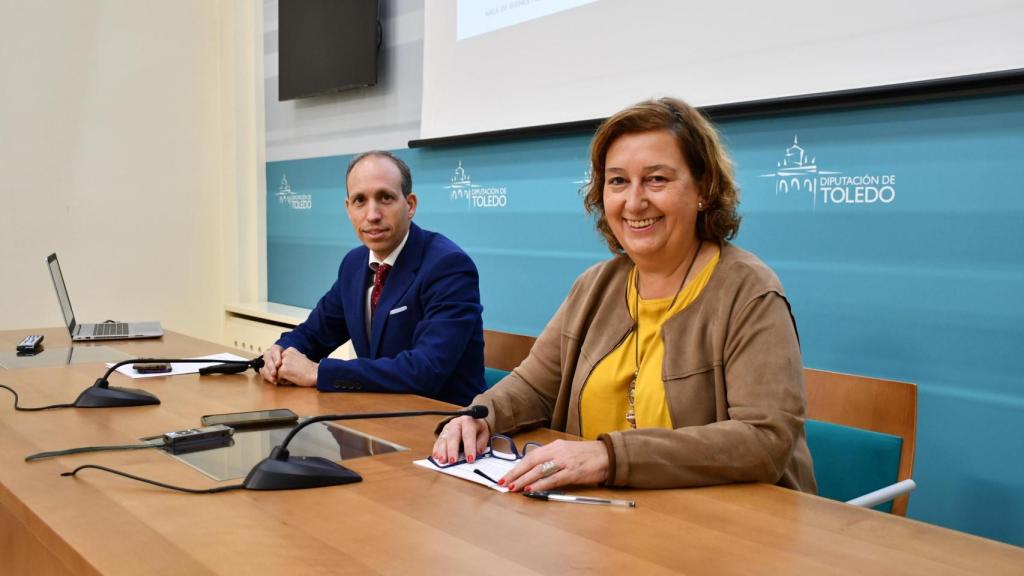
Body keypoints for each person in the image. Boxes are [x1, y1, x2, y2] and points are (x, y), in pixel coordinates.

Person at [433, 98, 817, 494]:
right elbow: (534, 386)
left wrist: (609, 457)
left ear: (704, 188)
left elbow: (764, 440)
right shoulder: (595, 285)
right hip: (604, 522)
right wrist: (480, 416)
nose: (634, 202)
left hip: (725, 529)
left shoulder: (748, 291)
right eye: (618, 181)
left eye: (657, 180)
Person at [259, 151, 486, 406]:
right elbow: (315, 333)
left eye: (385, 198)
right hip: (375, 417)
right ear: (348, 209)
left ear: (410, 205)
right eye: (359, 201)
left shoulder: (448, 266)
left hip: (443, 426)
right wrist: (279, 353)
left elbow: (426, 370)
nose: (372, 214)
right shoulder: (354, 265)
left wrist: (319, 372)